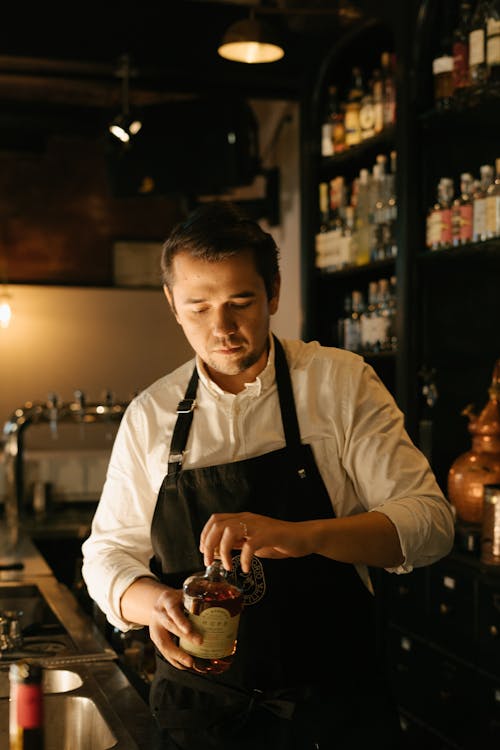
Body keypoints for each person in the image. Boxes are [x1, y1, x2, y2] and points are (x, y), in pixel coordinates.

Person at [82, 201, 454, 750]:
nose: (222, 328)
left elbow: (431, 524)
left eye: (241, 302)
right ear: (172, 304)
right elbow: (107, 553)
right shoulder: (150, 414)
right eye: (199, 307)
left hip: (332, 709)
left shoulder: (339, 383)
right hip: (199, 717)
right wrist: (151, 601)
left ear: (273, 292)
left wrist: (302, 535)